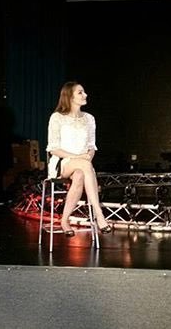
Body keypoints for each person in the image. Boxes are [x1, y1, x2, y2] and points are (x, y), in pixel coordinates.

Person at [46, 82, 112, 235]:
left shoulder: (89, 118)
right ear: (69, 96)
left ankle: (64, 220)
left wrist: (87, 157)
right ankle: (99, 214)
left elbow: (91, 147)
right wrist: (78, 157)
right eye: (80, 92)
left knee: (80, 174)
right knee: (85, 166)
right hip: (63, 162)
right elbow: (53, 148)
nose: (85, 95)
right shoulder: (57, 117)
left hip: (83, 164)